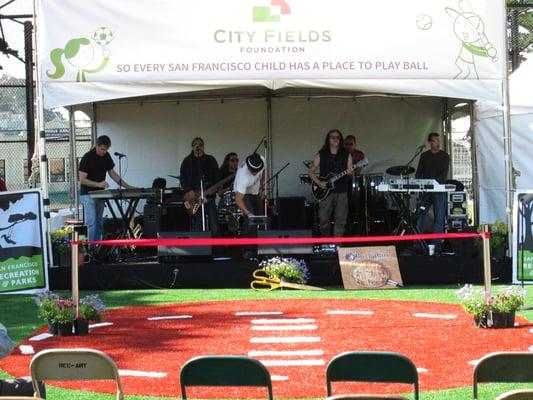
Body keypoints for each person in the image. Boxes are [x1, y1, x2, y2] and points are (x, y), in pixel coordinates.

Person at [79, 135, 134, 243]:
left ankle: (97, 249)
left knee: (99, 223)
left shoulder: (106, 156)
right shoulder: (87, 158)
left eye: (106, 149)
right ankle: (90, 251)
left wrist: (128, 187)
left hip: (100, 194)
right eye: (102, 149)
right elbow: (82, 180)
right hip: (87, 194)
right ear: (97, 146)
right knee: (92, 223)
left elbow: (113, 174)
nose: (104, 152)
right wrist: (98, 184)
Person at [308, 129, 353, 237]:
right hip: (325, 191)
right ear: (328, 139)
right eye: (333, 137)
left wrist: (351, 172)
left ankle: (337, 244)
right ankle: (326, 240)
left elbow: (350, 173)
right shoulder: (321, 154)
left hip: (341, 190)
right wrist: (319, 183)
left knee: (341, 219)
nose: (336, 139)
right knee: (323, 218)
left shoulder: (346, 154)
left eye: (338, 137)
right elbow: (310, 171)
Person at [415, 132, 450, 253]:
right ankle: (418, 244)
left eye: (439, 141)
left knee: (439, 218)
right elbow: (419, 173)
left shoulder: (445, 156)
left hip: (438, 191)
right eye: (435, 141)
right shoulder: (424, 156)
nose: (438, 143)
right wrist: (421, 185)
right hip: (425, 191)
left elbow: (443, 174)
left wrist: (433, 184)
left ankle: (436, 246)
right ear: (430, 143)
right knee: (420, 216)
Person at [180, 137, 220, 235]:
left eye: (200, 145)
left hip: (209, 197)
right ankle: (198, 246)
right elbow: (182, 178)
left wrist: (214, 189)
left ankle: (215, 247)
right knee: (197, 223)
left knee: (214, 223)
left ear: (203, 147)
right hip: (194, 197)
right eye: (196, 145)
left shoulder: (210, 160)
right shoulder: (187, 161)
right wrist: (189, 191)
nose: (198, 147)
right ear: (192, 147)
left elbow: (217, 176)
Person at [234, 153, 265, 258]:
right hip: (243, 194)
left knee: (260, 219)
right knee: (250, 220)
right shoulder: (243, 177)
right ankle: (247, 249)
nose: (255, 173)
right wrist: (248, 213)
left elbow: (263, 172)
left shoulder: (262, 160)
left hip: (255, 192)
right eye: (253, 171)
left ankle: (259, 248)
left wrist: (261, 186)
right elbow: (238, 199)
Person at [344, 135, 369, 235]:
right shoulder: (341, 154)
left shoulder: (359, 154)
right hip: (342, 185)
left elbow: (358, 172)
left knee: (357, 205)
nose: (349, 146)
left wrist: (352, 173)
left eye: (351, 144)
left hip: (355, 183)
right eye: (346, 144)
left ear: (355, 144)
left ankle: (358, 230)